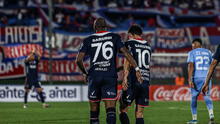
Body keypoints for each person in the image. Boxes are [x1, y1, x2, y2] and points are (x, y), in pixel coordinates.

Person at [76, 18, 143, 124]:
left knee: (94, 111)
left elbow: (79, 60)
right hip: (109, 77)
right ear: (106, 27)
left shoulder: (88, 39)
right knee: (110, 110)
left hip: (94, 76)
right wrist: (137, 68)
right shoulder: (114, 37)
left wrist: (85, 73)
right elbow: (126, 53)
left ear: (94, 27)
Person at [119, 24, 151, 124]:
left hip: (132, 80)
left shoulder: (129, 43)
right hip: (145, 80)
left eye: (129, 35)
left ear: (132, 34)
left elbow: (128, 60)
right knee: (140, 113)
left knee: (122, 109)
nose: (128, 37)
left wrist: (124, 77)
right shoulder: (147, 45)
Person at [187, 39, 214, 124]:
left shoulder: (192, 52)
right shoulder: (209, 52)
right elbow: (213, 64)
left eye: (192, 45)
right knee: (206, 95)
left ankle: (194, 119)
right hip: (206, 77)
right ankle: (211, 114)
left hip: (196, 77)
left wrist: (190, 79)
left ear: (195, 44)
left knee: (194, 97)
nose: (192, 47)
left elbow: (191, 65)